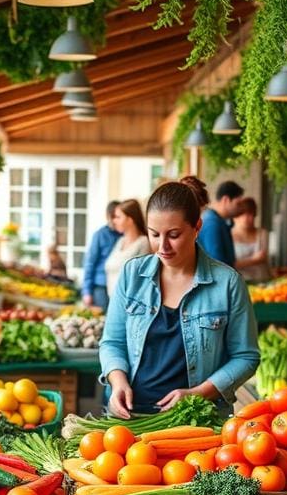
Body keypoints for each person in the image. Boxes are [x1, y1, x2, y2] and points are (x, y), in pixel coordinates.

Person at [100, 176, 259, 418]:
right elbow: (112, 342)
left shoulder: (227, 283)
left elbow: (246, 356)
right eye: (154, 234)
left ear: (197, 227)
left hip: (197, 422)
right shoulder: (132, 275)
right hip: (132, 419)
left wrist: (198, 393)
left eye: (173, 235)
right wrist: (118, 381)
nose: (162, 246)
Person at [103, 199, 150, 299]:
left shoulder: (143, 242)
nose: (114, 221)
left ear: (130, 219)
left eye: (118, 217)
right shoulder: (120, 241)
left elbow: (142, 278)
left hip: (129, 303)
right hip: (113, 301)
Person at [81, 201, 121, 310]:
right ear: (108, 217)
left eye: (118, 217)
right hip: (101, 287)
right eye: (113, 217)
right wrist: (86, 292)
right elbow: (89, 263)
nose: (115, 220)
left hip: (118, 287)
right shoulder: (99, 235)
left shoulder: (126, 236)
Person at [197, 179, 245, 266]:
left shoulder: (219, 221)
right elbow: (218, 264)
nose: (241, 208)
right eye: (238, 204)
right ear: (226, 200)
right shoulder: (212, 224)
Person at [232, 197, 271, 282]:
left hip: (262, 282)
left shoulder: (262, 233)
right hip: (239, 283)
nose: (247, 218)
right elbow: (229, 264)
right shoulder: (228, 235)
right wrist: (254, 260)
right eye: (243, 214)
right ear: (235, 216)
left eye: (250, 214)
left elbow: (264, 259)